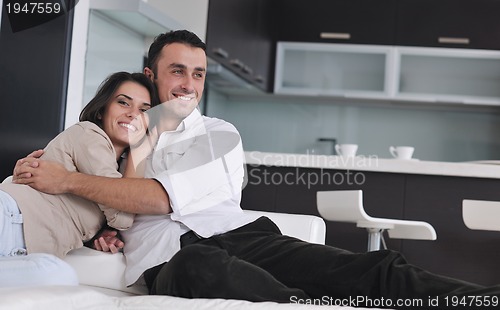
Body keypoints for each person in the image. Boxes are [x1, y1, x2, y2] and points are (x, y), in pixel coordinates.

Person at [13, 30, 500, 309]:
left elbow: (156, 199)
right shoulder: (118, 137)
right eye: (177, 70)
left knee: (369, 267)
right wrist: (93, 218)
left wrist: (72, 181)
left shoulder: (218, 133)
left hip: (245, 236)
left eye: (198, 73)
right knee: (203, 267)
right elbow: (93, 194)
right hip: (169, 258)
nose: (188, 83)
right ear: (151, 75)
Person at [1, 71, 159, 261]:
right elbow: (122, 217)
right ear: (102, 110)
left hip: (19, 233)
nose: (133, 113)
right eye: (123, 102)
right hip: (10, 217)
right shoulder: (90, 135)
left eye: (144, 110)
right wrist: (138, 152)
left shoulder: (113, 167)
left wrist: (99, 235)